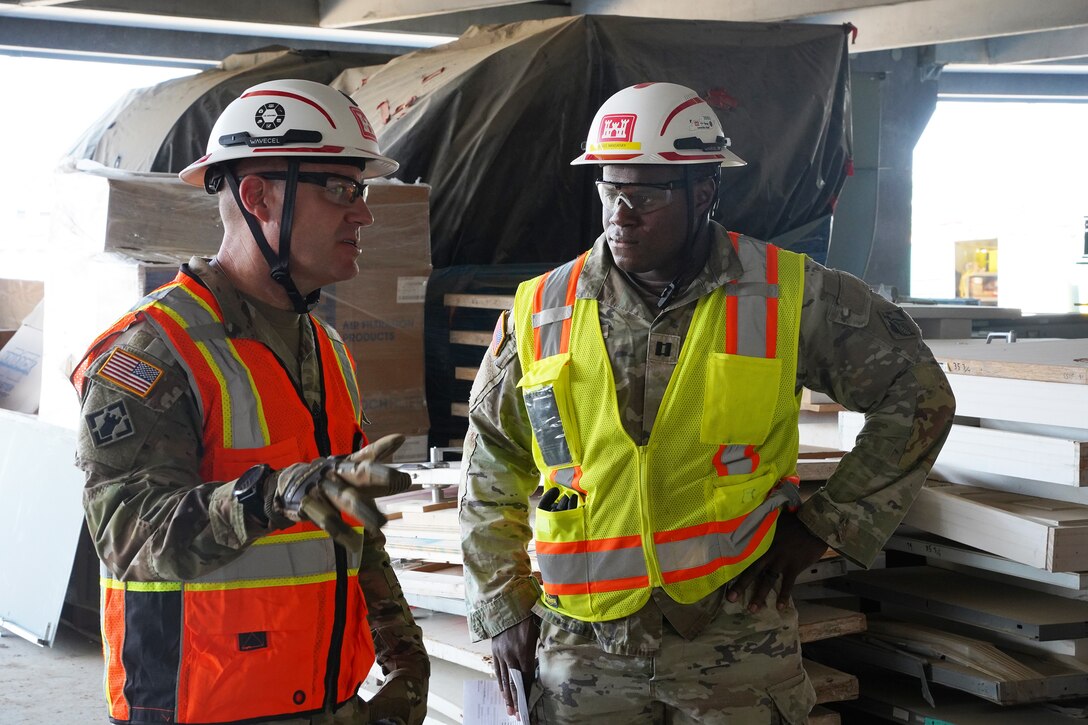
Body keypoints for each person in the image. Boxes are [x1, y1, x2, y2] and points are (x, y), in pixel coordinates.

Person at [458, 81, 955, 724]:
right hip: (584, 651)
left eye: (646, 193)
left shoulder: (789, 294)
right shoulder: (543, 308)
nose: (621, 213)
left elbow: (917, 395)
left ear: (705, 190)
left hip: (735, 643)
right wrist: (500, 603)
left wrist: (826, 525)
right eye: (610, 189)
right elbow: (492, 461)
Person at [72, 79, 429, 725]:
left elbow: (348, 517)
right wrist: (274, 494)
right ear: (257, 195)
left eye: (363, 191)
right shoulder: (156, 351)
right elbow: (127, 535)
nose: (364, 214)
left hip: (326, 698)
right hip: (205, 705)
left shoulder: (325, 345)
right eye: (341, 190)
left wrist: (406, 656)